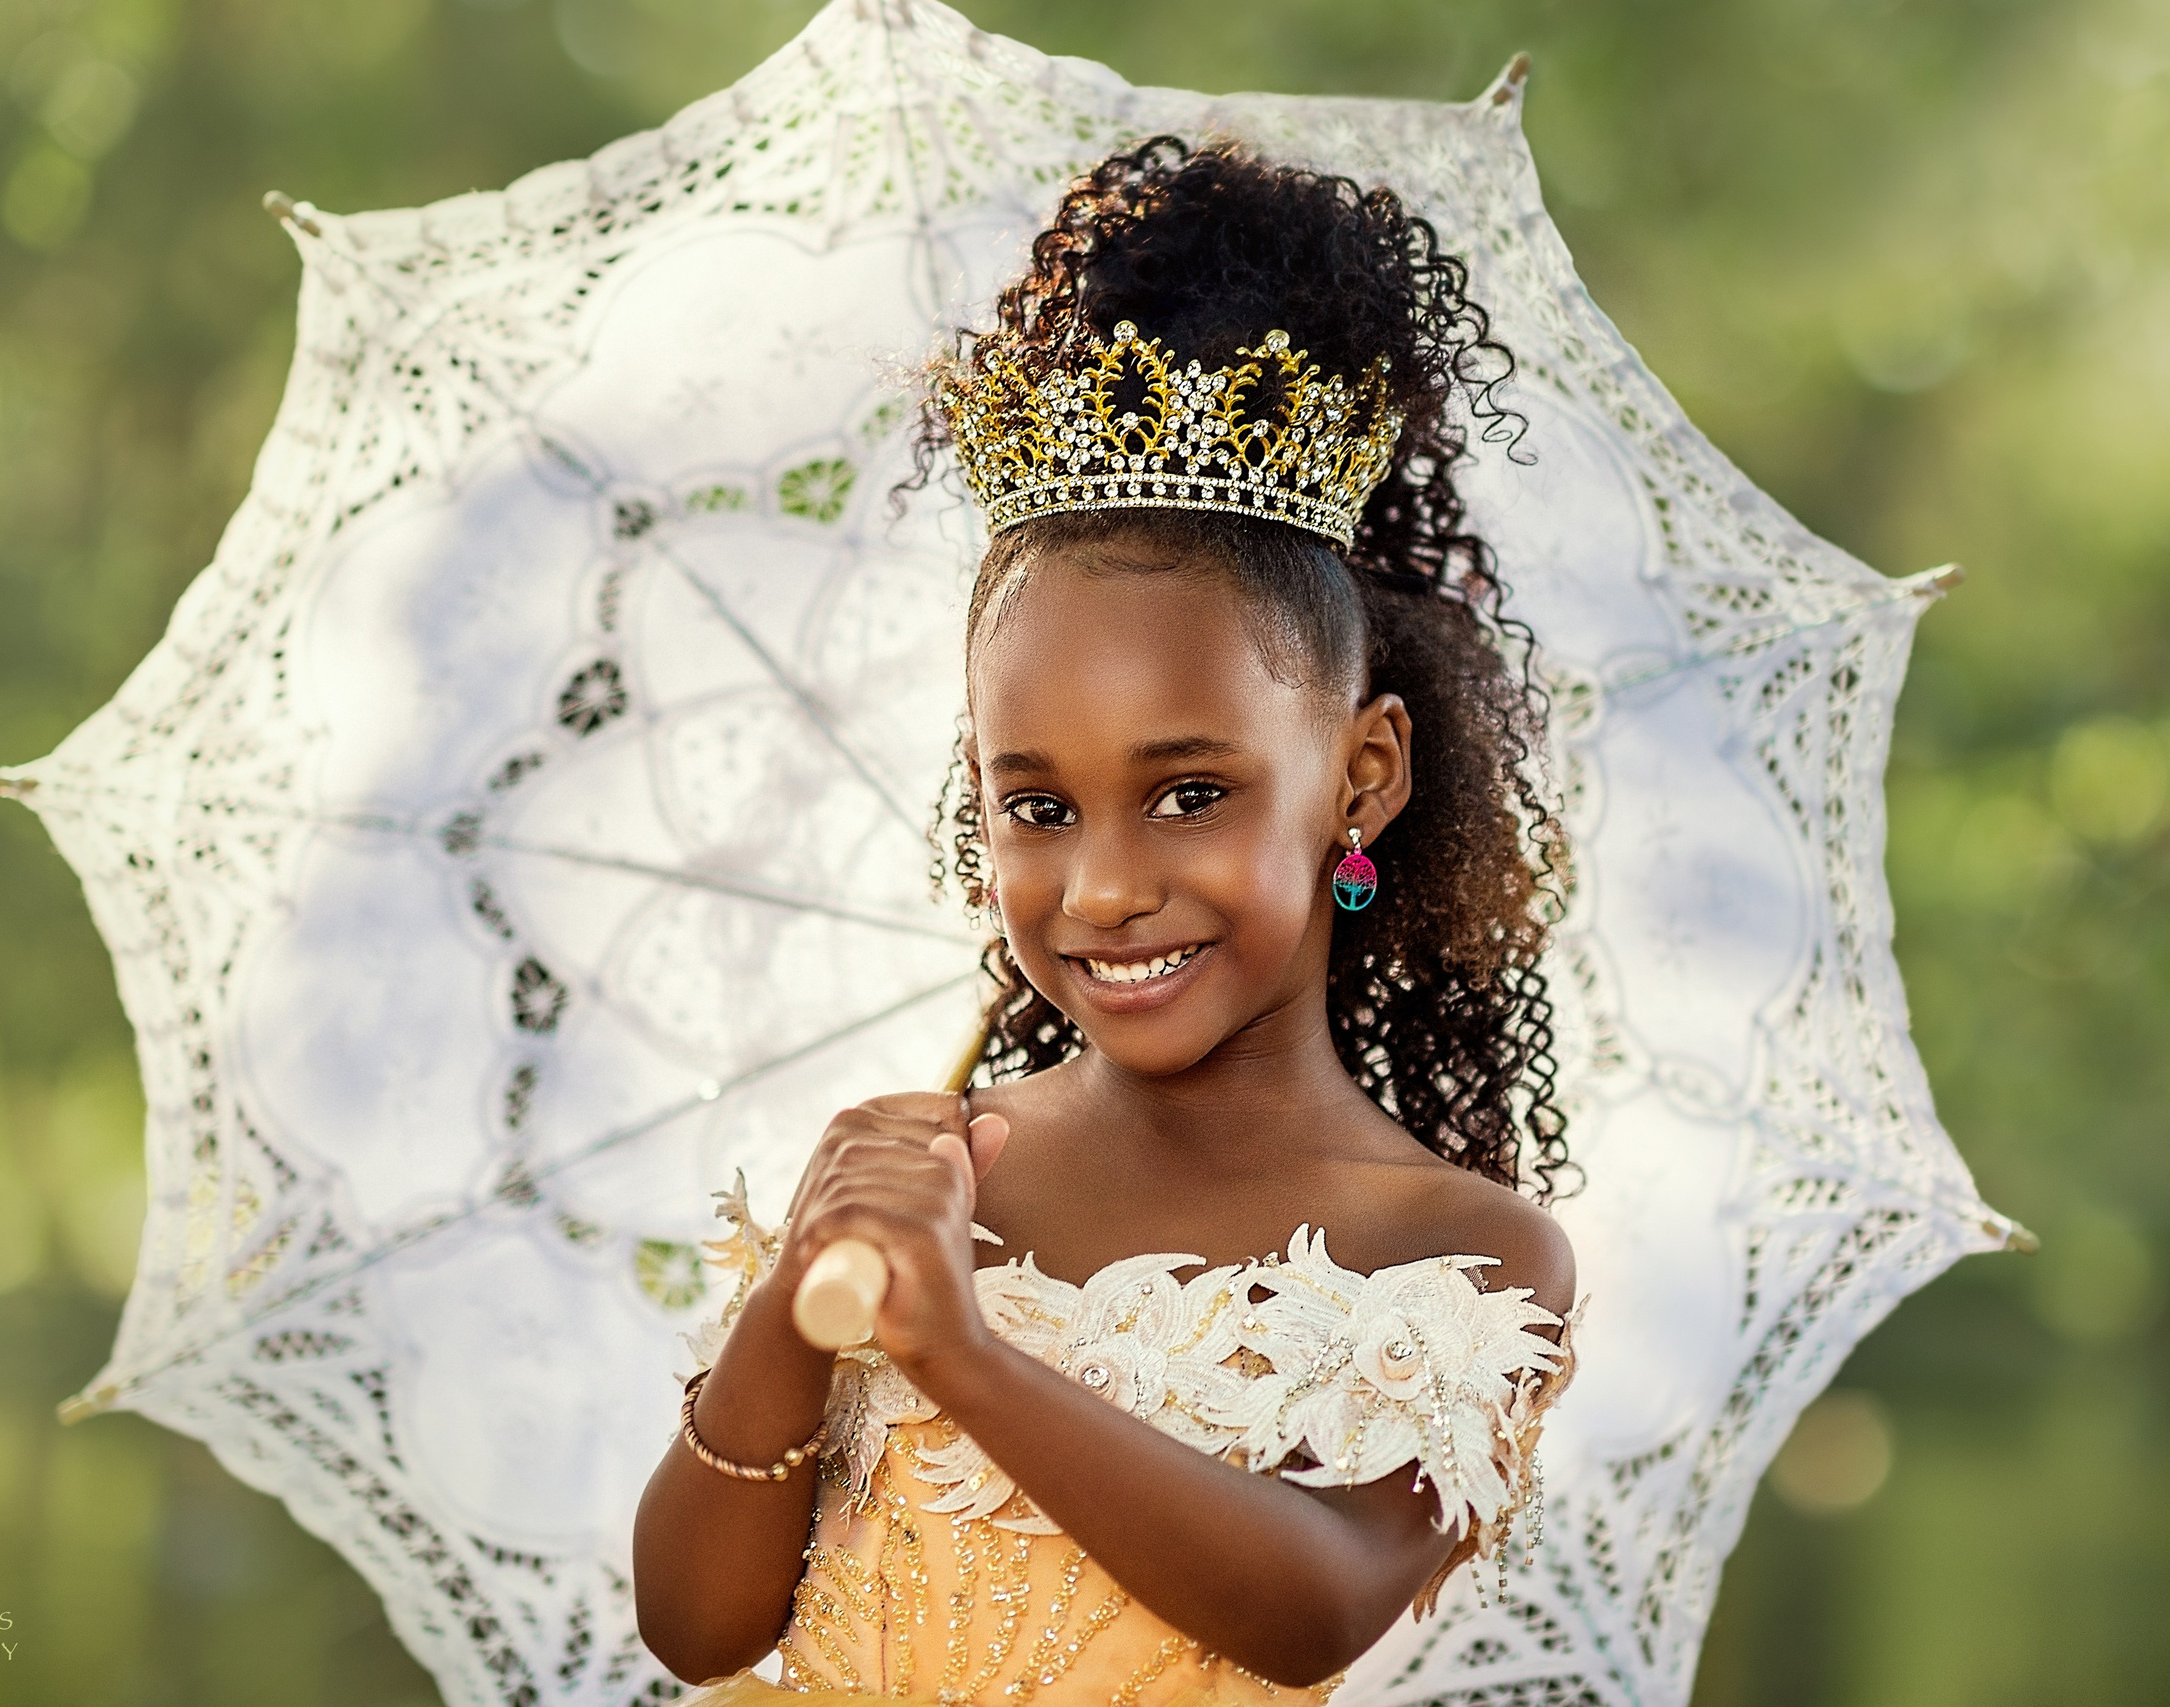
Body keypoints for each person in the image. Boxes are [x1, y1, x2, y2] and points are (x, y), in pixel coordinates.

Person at [631, 136, 1577, 1707]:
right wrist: (795, 1311)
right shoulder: (936, 1178)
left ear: (1362, 775)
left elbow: (1316, 1604)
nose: (1102, 889)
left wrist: (962, 1353)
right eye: (1040, 807)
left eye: (1190, 793)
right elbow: (697, 1627)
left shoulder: (1457, 1253)